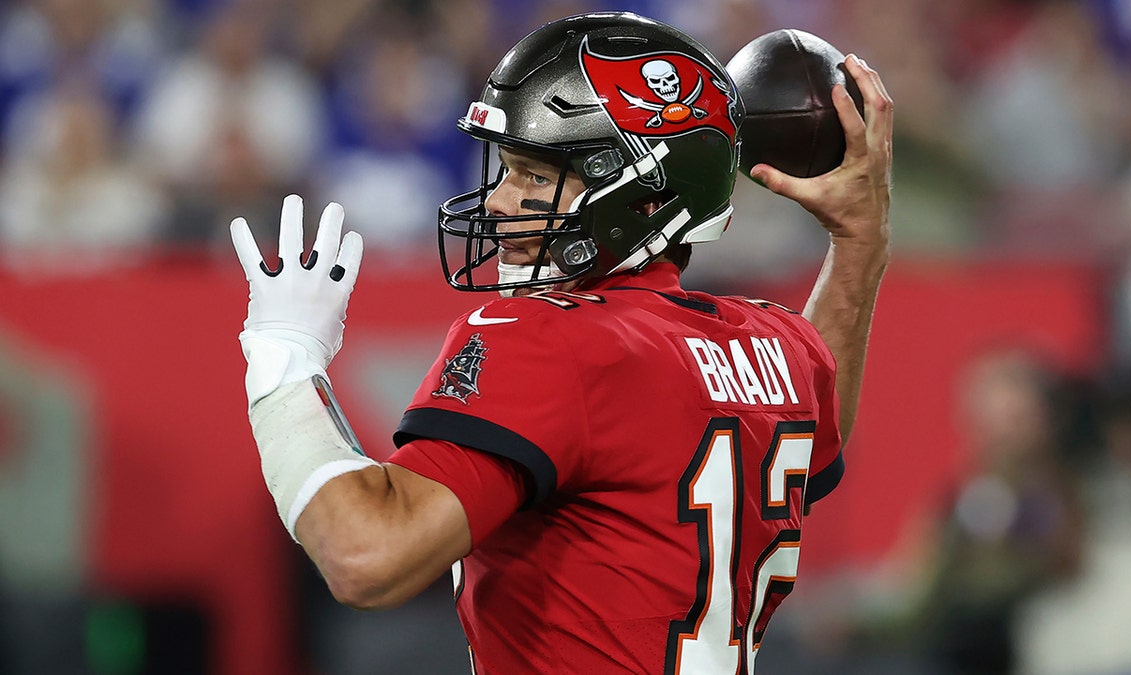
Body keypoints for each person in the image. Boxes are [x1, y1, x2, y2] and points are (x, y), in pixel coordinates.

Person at [230, 11, 892, 673]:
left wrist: (284, 359)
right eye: (508, 167)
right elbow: (822, 419)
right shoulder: (775, 344)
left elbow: (364, 557)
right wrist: (860, 239)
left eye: (536, 175)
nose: (498, 200)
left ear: (642, 197)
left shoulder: (551, 336)